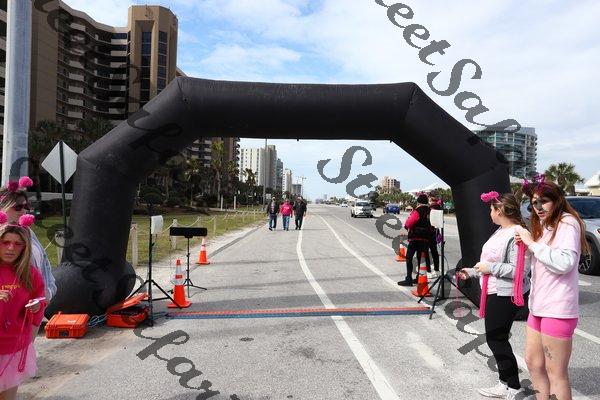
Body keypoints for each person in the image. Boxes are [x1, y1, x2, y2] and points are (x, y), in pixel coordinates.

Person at [515, 178, 586, 400]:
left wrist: (532, 243)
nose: (538, 208)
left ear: (557, 200)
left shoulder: (567, 223)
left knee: (556, 373)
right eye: (533, 203)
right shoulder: (545, 226)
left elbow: (565, 263)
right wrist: (527, 247)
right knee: (533, 363)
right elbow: (539, 262)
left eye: (543, 201)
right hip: (538, 306)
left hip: (558, 308)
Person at [457, 192, 532, 400]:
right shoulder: (501, 231)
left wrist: (488, 268)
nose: (490, 213)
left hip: (505, 294)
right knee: (496, 339)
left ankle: (513, 387)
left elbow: (519, 270)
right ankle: (505, 384)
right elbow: (489, 263)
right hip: (494, 291)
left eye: (491, 209)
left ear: (500, 210)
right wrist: (472, 271)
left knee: (497, 339)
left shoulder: (517, 233)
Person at [0, 212, 47, 399]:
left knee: (8, 396)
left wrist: (36, 306)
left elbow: (40, 298)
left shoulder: (29, 273)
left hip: (14, 345)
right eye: (5, 242)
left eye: (17, 244)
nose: (11, 248)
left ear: (24, 247)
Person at [0, 177, 56, 318]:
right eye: (17, 207)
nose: (22, 211)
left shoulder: (28, 232)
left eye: (25, 207)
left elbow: (44, 264)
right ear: (2, 207)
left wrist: (47, 293)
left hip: (32, 310)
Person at [398, 193, 432, 286]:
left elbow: (410, 222)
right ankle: (419, 278)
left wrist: (406, 228)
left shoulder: (417, 211)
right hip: (426, 238)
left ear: (418, 202)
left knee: (409, 257)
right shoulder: (430, 211)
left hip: (415, 238)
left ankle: (408, 279)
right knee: (421, 259)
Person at [427, 196, 442, 278]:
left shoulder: (431, 208)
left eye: (429, 200)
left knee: (426, 252)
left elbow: (429, 220)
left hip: (429, 231)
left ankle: (428, 270)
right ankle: (437, 269)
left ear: (432, 201)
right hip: (434, 231)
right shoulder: (439, 207)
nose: (428, 202)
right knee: (434, 252)